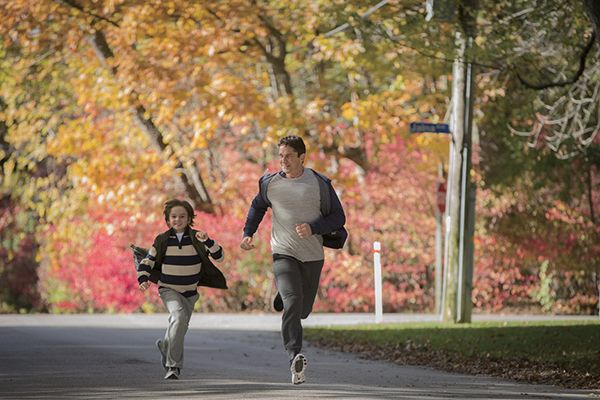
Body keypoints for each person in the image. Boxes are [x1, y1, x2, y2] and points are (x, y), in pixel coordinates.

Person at [240, 135, 346, 385]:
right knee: (294, 302)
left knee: (303, 310)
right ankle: (294, 356)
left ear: (301, 157)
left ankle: (284, 294)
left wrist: (314, 228)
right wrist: (248, 233)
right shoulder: (270, 183)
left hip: (312, 255)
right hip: (283, 252)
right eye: (280, 156)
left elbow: (338, 217)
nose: (283, 160)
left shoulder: (319, 183)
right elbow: (257, 207)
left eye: (289, 156)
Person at [138, 199, 227, 380]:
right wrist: (143, 279)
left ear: (189, 219)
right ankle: (173, 366)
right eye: (174, 217)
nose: (177, 220)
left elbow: (219, 257)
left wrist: (208, 241)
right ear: (168, 220)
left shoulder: (197, 238)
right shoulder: (162, 240)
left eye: (182, 216)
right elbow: (148, 261)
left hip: (190, 292)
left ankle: (165, 346)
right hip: (168, 289)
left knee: (180, 327)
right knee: (178, 317)